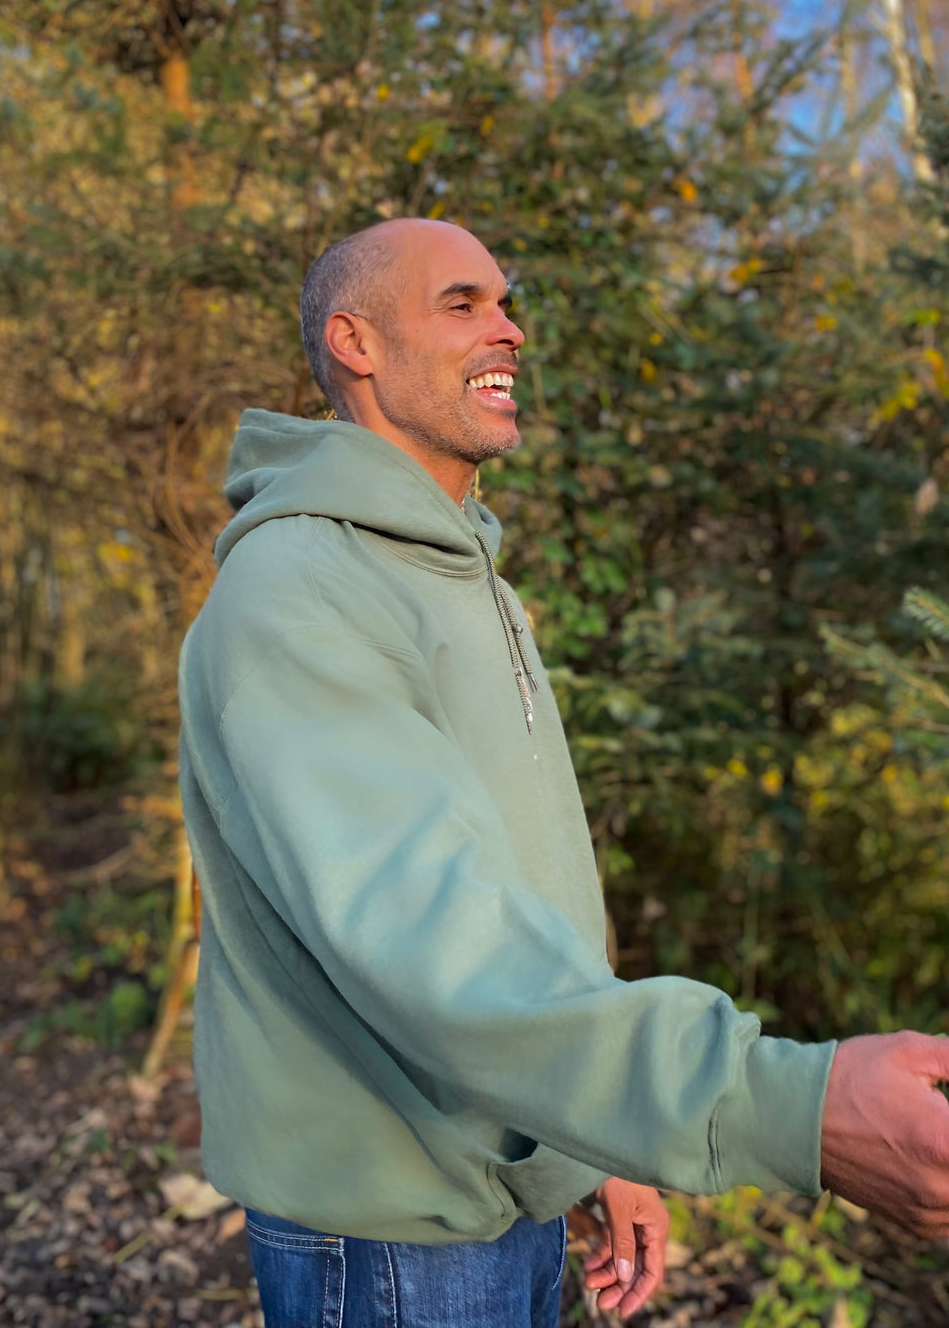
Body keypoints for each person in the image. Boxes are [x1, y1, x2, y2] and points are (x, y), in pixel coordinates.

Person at [178, 218, 949, 1328]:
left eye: (505, 300)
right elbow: (433, 942)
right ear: (355, 341)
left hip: (500, 1188)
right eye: (462, 303)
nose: (510, 328)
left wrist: (588, 1140)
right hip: (399, 1237)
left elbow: (513, 905)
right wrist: (786, 1108)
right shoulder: (298, 590)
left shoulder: (464, 574)